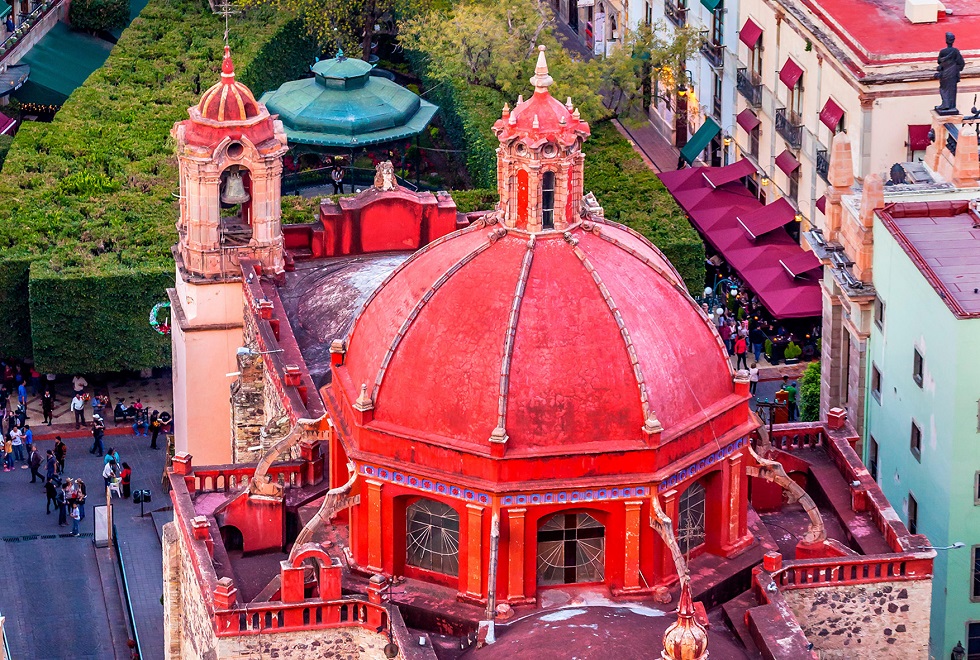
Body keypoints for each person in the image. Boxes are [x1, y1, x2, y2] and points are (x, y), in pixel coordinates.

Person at [936, 32, 966, 114]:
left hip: (945, 73)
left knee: (944, 89)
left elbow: (939, 61)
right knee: (952, 90)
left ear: (946, 40)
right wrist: (956, 69)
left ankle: (945, 104)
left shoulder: (943, 52)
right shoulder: (955, 51)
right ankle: (950, 105)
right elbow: (961, 63)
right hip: (953, 73)